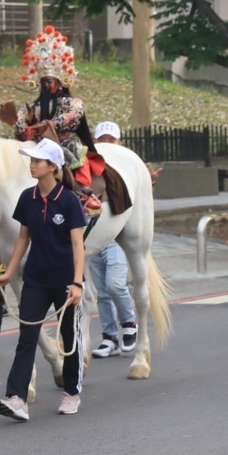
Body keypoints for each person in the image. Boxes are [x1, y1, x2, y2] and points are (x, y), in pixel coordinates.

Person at [0, 138, 88, 418]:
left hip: (65, 281)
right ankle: (16, 398)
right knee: (27, 338)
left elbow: (77, 245)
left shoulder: (69, 201)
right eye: (31, 160)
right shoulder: (27, 198)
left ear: (52, 167)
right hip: (35, 279)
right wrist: (9, 272)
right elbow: (23, 238)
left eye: (37, 161)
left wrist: (77, 282)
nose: (32, 165)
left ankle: (71, 392)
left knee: (70, 337)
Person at [0, 25, 101, 208]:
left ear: (60, 83)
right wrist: (20, 127)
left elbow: (71, 115)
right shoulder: (32, 107)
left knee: (74, 160)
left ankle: (82, 194)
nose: (46, 86)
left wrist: (48, 125)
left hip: (65, 143)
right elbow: (21, 122)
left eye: (50, 82)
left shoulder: (72, 103)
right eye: (43, 82)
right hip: (38, 145)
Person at [88, 121, 138, 358]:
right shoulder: (87, 168)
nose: (106, 144)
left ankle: (129, 322)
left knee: (115, 284)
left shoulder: (126, 168)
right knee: (101, 292)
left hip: (115, 238)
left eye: (111, 140)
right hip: (91, 238)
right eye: (101, 140)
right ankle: (109, 338)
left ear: (119, 143)